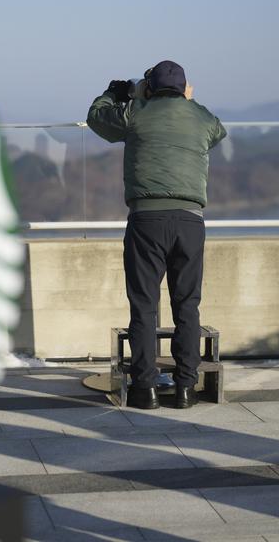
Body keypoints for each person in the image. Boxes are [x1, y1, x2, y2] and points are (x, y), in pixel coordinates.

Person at [86, 60, 226, 409]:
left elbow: (97, 118)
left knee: (144, 306)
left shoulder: (135, 112)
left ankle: (145, 389)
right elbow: (218, 131)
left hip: (146, 220)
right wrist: (188, 103)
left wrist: (115, 93)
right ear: (184, 89)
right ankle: (185, 389)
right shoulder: (200, 117)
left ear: (149, 88)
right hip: (190, 221)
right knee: (187, 306)